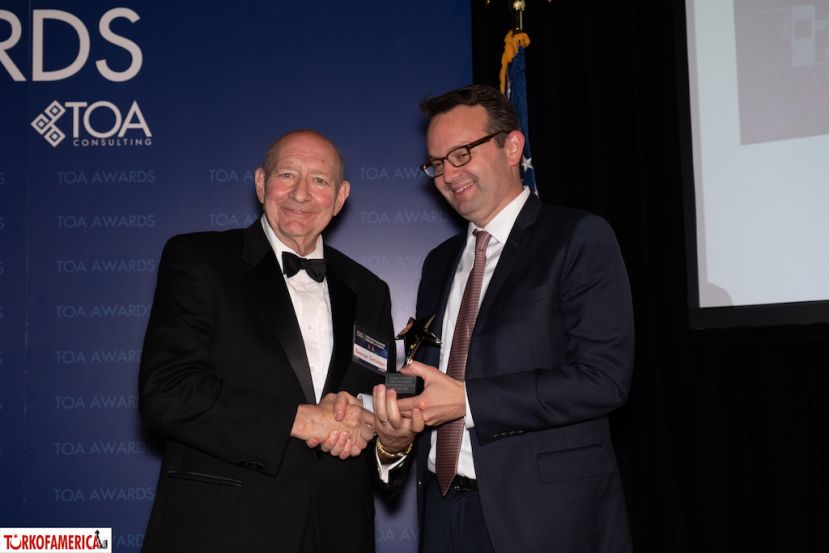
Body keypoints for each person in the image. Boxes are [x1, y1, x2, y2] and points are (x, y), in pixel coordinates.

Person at [371, 84, 635, 553]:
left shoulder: (577, 238)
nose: (448, 175)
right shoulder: (439, 261)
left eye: (461, 154)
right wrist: (383, 415)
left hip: (543, 518)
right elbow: (433, 379)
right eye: (436, 164)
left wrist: (467, 402)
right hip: (442, 510)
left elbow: (603, 379)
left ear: (512, 146)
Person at [139, 130, 395, 553]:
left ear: (340, 196)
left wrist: (380, 429)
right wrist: (301, 418)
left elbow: (373, 398)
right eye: (287, 174)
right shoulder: (199, 259)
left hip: (340, 531)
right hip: (223, 531)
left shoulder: (370, 289)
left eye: (319, 180)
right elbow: (167, 392)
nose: (300, 193)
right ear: (261, 184)